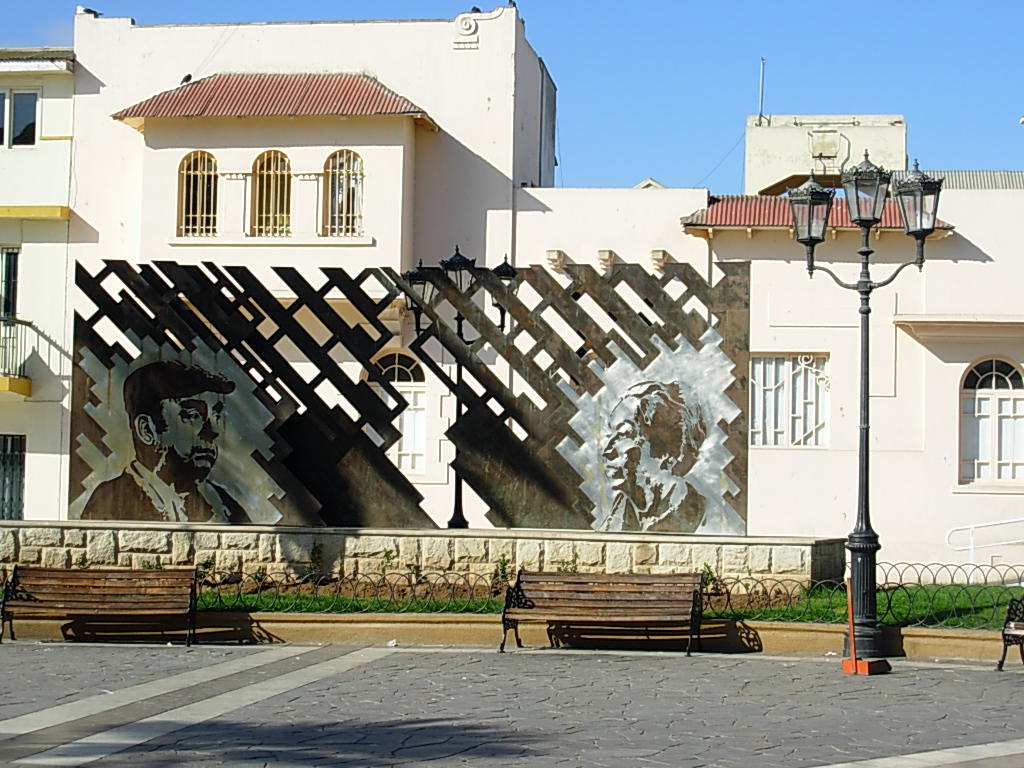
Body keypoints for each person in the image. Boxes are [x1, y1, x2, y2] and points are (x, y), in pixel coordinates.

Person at [82, 361, 249, 523]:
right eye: (193, 415)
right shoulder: (109, 503)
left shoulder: (227, 507)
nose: (214, 431)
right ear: (147, 430)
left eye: (218, 417)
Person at [600, 380, 707, 532]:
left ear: (668, 452)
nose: (608, 450)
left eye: (624, 435)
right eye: (611, 436)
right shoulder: (618, 516)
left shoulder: (688, 513)